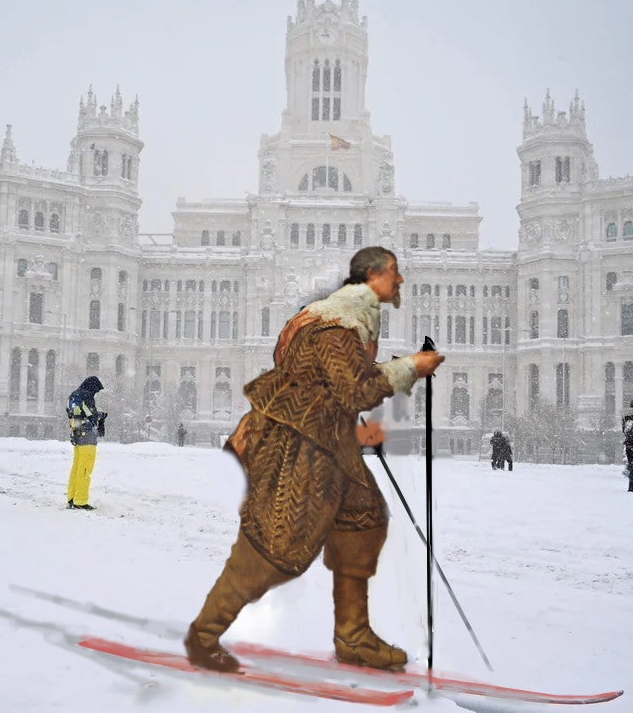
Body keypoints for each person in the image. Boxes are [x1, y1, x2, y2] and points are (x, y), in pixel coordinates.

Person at [184, 246, 444, 673]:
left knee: (362, 518)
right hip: (298, 445)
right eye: (393, 273)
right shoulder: (334, 325)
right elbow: (355, 389)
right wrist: (412, 367)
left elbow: (340, 381)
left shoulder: (347, 321)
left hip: (330, 440)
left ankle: (353, 635)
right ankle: (203, 636)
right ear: (372, 276)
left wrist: (400, 370)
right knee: (276, 547)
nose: (400, 281)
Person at [65, 376, 107, 510]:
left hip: (77, 435)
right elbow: (91, 416)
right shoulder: (86, 396)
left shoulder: (73, 395)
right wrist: (101, 417)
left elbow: (76, 414)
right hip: (87, 437)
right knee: (85, 470)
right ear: (92, 387)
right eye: (96, 391)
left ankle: (71, 498)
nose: (95, 394)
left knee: (76, 468)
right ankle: (81, 501)